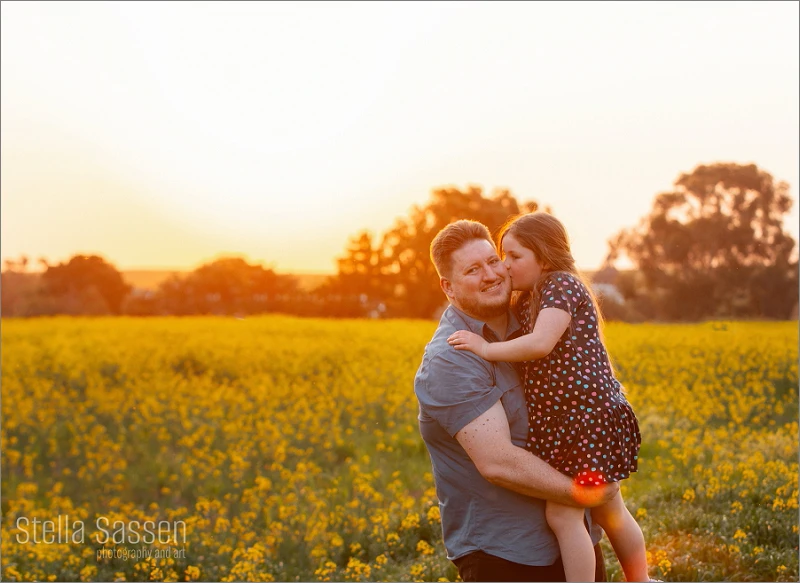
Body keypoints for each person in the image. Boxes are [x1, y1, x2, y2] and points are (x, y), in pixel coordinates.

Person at [447, 212, 650, 582]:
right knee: (609, 509)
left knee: (565, 514)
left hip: (586, 416)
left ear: (542, 257)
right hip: (566, 419)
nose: (504, 268)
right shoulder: (528, 299)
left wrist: (484, 349)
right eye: (501, 256)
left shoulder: (561, 285)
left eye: (512, 257)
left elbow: (540, 344)